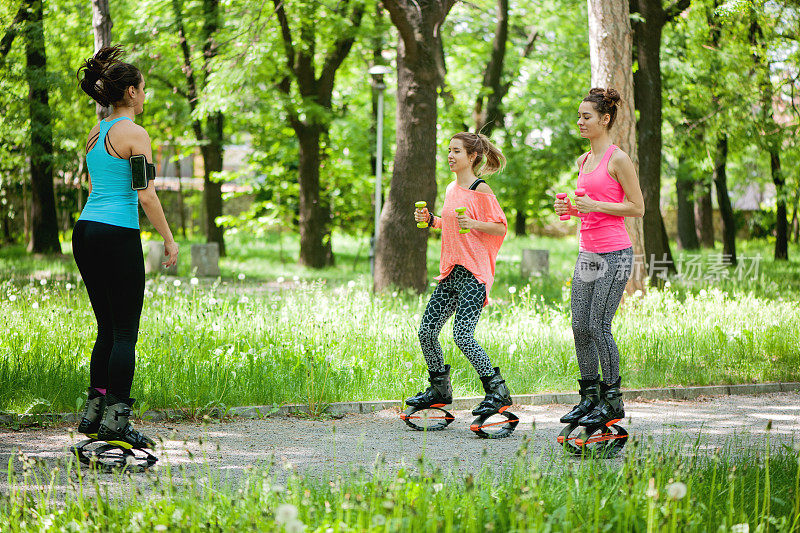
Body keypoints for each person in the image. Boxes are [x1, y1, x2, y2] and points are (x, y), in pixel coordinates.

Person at [73, 46, 178, 450]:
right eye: (144, 89)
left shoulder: (96, 132)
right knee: (124, 334)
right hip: (117, 234)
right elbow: (146, 196)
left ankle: (94, 413)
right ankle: (117, 425)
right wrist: (169, 239)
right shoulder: (135, 134)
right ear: (131, 92)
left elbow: (99, 184)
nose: (146, 96)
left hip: (86, 231)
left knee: (106, 328)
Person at [554, 88, 645, 428]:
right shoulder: (583, 160)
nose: (580, 121)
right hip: (587, 253)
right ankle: (589, 396)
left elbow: (637, 208)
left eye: (586, 117)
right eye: (579, 116)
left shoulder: (618, 159)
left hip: (615, 253)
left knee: (598, 326)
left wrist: (594, 206)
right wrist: (573, 210)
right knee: (579, 324)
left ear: (605, 120)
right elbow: (587, 210)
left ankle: (613, 401)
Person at [407, 132, 511, 418]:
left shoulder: (481, 190)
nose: (450, 156)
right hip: (451, 272)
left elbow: (501, 228)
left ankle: (497, 392)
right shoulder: (452, 188)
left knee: (462, 335)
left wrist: (475, 222)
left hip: (474, 273)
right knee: (426, 331)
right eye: (449, 150)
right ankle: (439, 389)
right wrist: (431, 220)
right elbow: (452, 224)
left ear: (472, 157)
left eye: (457, 151)